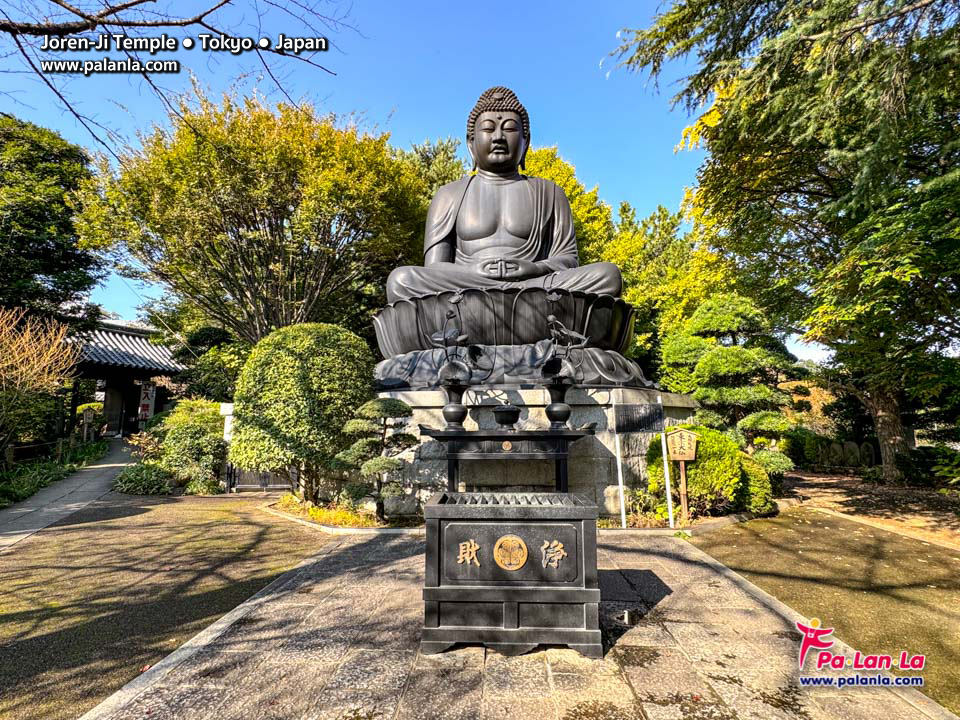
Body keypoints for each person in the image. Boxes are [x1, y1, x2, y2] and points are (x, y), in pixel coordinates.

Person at [385, 86, 622, 304]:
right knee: (402, 280)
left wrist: (533, 269)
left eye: (509, 128)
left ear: (525, 141)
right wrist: (474, 272)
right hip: (468, 288)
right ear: (471, 143)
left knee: (607, 276)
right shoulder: (449, 194)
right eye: (488, 128)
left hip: (533, 286)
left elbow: (568, 260)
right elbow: (434, 267)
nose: (498, 136)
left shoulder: (550, 192)